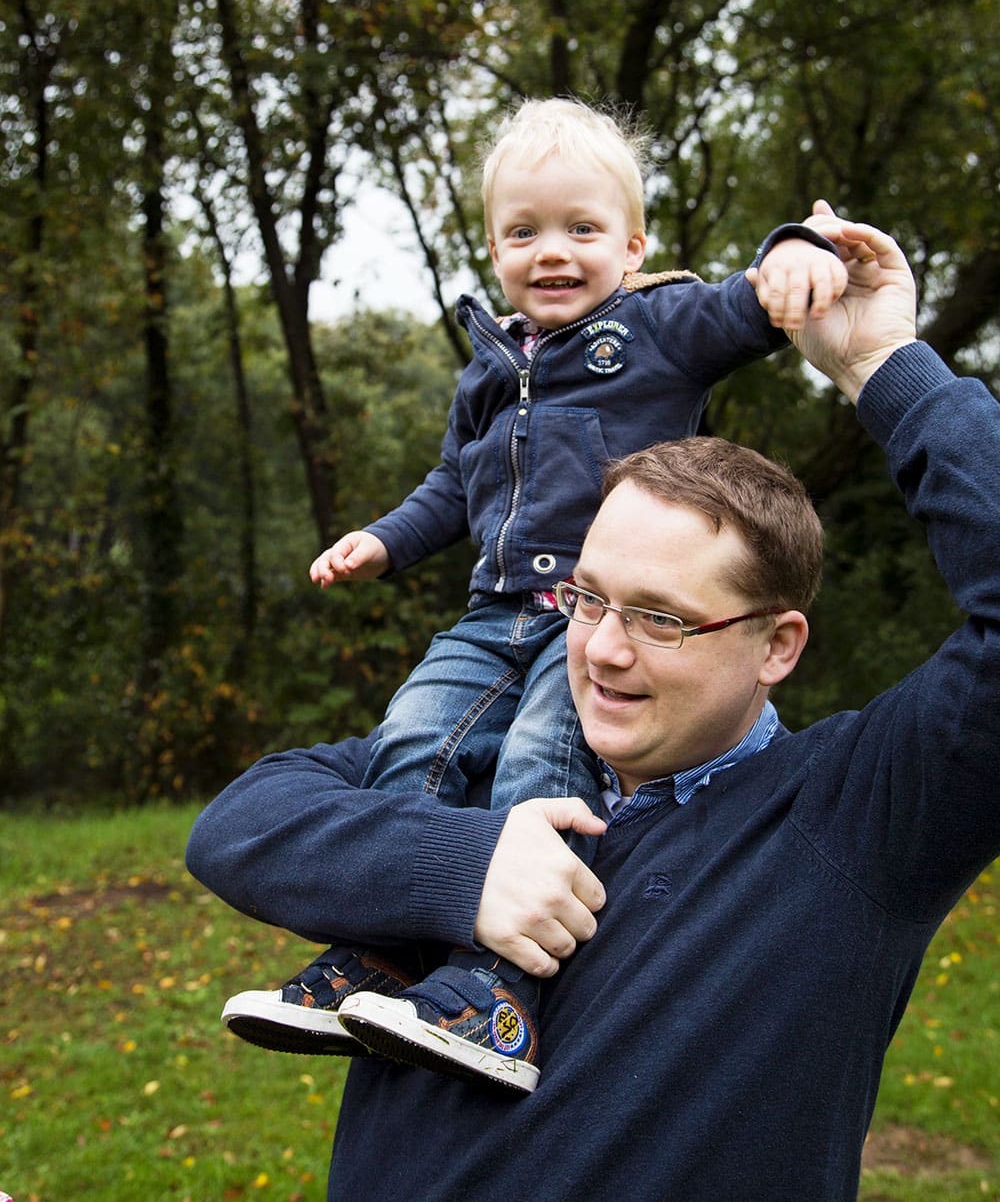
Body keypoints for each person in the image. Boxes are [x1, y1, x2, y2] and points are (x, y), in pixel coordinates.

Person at [188, 210, 1000, 1201]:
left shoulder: (856, 818)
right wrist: (466, 867)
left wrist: (884, 363)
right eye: (587, 597)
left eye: (662, 619)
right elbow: (238, 824)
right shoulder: (479, 758)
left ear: (775, 645)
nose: (600, 651)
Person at [218, 95, 847, 1090]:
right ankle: (381, 949)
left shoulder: (656, 327)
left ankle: (497, 992)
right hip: (488, 612)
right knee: (411, 739)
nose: (551, 251)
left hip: (595, 617)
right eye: (524, 232)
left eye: (581, 229)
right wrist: (381, 543)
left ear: (632, 244)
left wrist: (799, 248)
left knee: (535, 768)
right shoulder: (488, 367)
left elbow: (745, 304)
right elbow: (449, 489)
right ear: (495, 248)